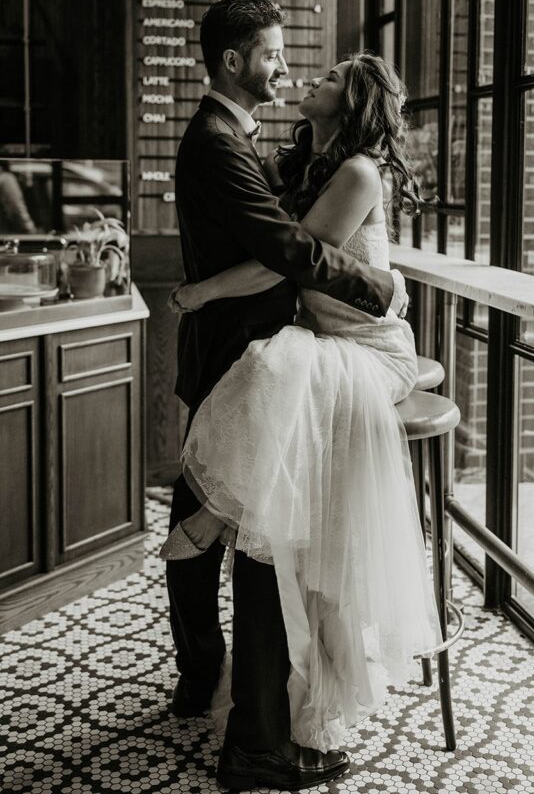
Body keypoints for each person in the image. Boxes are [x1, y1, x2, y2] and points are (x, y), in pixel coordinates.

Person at [163, 46, 442, 777]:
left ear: (349, 105)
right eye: (293, 64)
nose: (304, 78)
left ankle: (217, 516)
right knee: (279, 365)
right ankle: (223, 521)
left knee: (275, 365)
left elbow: (284, 259)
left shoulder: (355, 172)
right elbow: (279, 245)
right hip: (328, 347)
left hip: (370, 353)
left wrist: (199, 295)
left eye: (323, 79)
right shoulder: (305, 166)